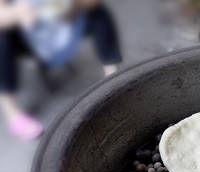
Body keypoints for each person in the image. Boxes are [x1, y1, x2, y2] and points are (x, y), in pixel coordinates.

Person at [0, 0, 121, 141]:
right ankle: (12, 112)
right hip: (28, 32)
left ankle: (114, 83)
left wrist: (74, 5)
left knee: (99, 13)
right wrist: (16, 14)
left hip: (67, 22)